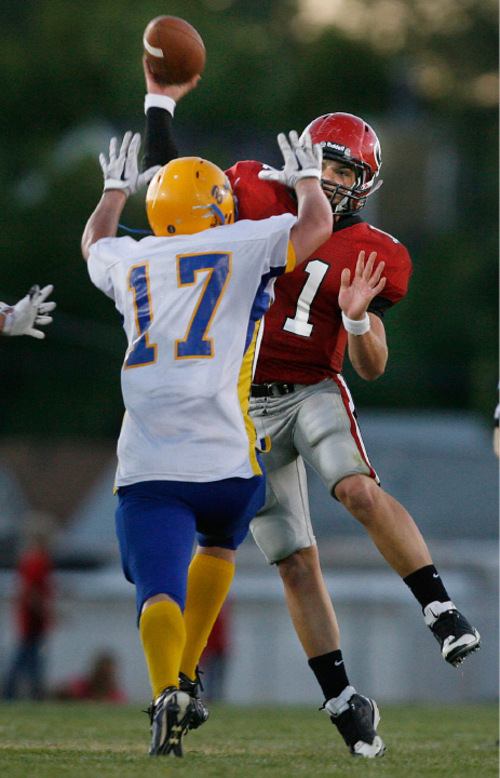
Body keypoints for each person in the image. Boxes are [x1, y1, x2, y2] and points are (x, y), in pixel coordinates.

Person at [140, 66, 481, 759]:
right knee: (293, 560)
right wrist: (159, 111)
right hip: (242, 406)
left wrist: (357, 323)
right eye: (324, 161)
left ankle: (439, 608)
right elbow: (175, 190)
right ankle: (341, 698)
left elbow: (373, 366)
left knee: (355, 487)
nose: (330, 177)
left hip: (314, 390)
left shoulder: (377, 250)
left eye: (345, 168)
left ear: (366, 182)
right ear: (302, 157)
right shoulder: (258, 191)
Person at [81, 128, 332, 757]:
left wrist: (113, 191)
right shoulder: (243, 239)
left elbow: (94, 243)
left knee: (157, 588)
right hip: (228, 461)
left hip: (152, 461)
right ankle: (189, 674)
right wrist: (305, 180)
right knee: (219, 540)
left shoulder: (131, 259)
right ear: (219, 206)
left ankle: (169, 687)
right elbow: (317, 226)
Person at [3, 529, 54, 700]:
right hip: (32, 621)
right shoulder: (37, 561)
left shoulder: (29, 560)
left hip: (30, 620)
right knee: (28, 659)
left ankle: (21, 694)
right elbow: (31, 592)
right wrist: (46, 613)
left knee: (28, 659)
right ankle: (23, 695)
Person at [52, 650, 127, 703]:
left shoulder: (116, 695)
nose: (103, 676)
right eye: (102, 672)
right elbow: (59, 692)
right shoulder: (79, 687)